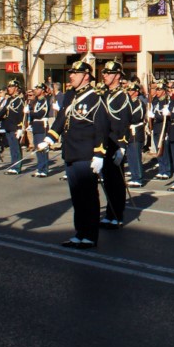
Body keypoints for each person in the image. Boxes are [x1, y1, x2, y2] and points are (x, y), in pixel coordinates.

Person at [41, 58, 119, 249]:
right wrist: (50, 138)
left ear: (86, 76)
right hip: (71, 153)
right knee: (77, 196)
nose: (71, 77)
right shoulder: (71, 96)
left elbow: (102, 127)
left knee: (88, 197)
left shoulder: (95, 98)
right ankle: (80, 232)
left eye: (75, 74)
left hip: (86, 155)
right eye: (70, 74)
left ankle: (90, 236)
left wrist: (100, 154)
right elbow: (62, 119)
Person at [96, 61, 131, 226]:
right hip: (105, 142)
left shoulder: (122, 96)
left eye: (109, 73)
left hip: (116, 143)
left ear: (117, 75)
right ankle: (110, 214)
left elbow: (124, 122)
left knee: (116, 181)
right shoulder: (104, 94)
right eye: (104, 73)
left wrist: (122, 146)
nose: (105, 76)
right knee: (108, 180)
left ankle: (117, 215)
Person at [27, 86, 52, 177]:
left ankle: (44, 169)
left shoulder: (45, 101)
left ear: (42, 90)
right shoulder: (36, 101)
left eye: (37, 89)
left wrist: (30, 112)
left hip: (42, 125)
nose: (35, 91)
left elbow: (41, 114)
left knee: (43, 148)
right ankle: (40, 168)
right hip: (36, 126)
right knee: (38, 148)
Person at [2, 80, 25, 175]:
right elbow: (4, 111)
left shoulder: (19, 101)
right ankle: (13, 165)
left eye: (11, 87)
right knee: (12, 148)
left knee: (16, 148)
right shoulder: (9, 100)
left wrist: (20, 128)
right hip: (8, 126)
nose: (9, 89)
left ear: (16, 88)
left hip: (15, 127)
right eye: (9, 87)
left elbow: (20, 115)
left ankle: (17, 167)